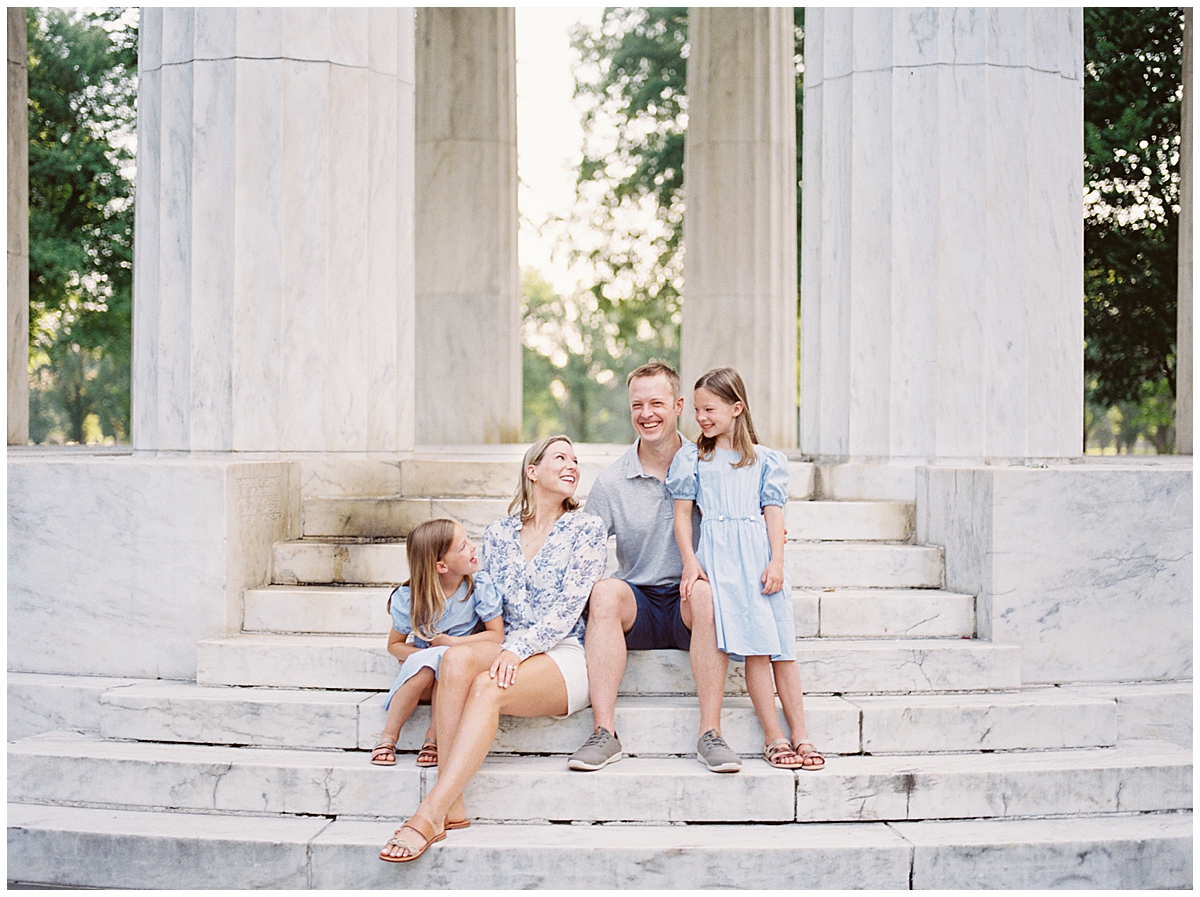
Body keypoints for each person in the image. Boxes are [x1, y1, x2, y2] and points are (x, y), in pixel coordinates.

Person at [379, 435, 608, 863]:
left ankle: (431, 811)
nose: (572, 464)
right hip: (505, 646)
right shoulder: (501, 534)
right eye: (560, 457)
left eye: (576, 459)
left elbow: (567, 609)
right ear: (532, 471)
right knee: (458, 657)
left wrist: (517, 648)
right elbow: (481, 598)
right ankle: (456, 808)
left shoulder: (587, 529)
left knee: (488, 688)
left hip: (562, 653)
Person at [568, 362, 743, 775]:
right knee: (605, 591)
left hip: (692, 602)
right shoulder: (612, 481)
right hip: (640, 604)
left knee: (703, 591)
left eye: (657, 403)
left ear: (679, 405)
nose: (646, 413)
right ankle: (604, 733)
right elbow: (582, 551)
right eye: (637, 405)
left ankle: (711, 733)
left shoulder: (712, 465)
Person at [666, 367, 823, 771]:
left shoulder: (767, 460)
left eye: (709, 408)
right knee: (756, 651)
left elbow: (773, 515)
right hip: (721, 562)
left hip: (758, 561)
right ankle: (774, 737)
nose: (701, 417)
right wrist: (690, 563)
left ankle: (801, 735)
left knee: (782, 651)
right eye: (697, 409)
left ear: (736, 408)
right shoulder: (694, 458)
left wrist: (777, 561)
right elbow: (682, 517)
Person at [370, 518, 504, 767]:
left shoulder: (479, 587)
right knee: (425, 670)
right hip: (423, 671)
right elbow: (394, 645)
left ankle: (433, 738)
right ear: (441, 566)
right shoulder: (411, 598)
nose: (474, 548)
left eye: (469, 541)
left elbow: (496, 635)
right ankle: (388, 736)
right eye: (463, 546)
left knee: (448, 668)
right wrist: (421, 655)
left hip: (458, 665)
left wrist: (450, 644)